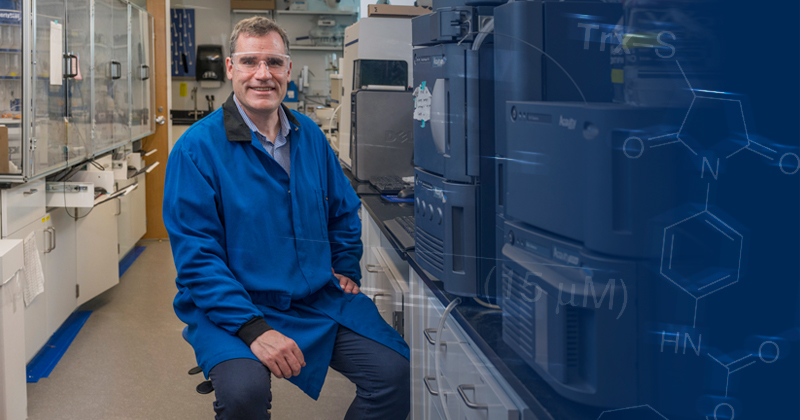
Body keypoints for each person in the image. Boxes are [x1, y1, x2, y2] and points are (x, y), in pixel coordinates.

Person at [163, 17, 410, 420]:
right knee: (244, 394)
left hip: (314, 297)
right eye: (249, 62)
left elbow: (342, 209)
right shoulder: (195, 150)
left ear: (288, 70)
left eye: (274, 63)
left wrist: (345, 263)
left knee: (396, 375)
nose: (263, 75)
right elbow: (197, 257)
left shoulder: (309, 135)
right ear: (230, 69)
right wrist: (254, 330)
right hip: (232, 305)